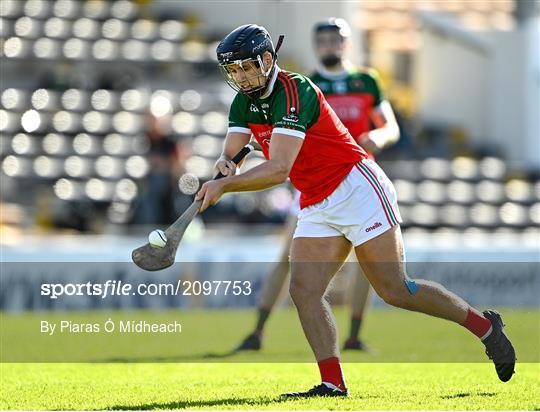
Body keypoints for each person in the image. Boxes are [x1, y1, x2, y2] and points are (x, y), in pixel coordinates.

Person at [196, 24, 516, 397]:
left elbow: (280, 168)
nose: (241, 76)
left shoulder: (294, 90)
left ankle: (485, 328)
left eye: (247, 67)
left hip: (356, 187)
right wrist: (224, 167)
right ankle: (332, 383)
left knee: (396, 290)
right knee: (304, 290)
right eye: (233, 70)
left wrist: (226, 185)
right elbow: (232, 149)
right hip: (316, 200)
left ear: (268, 60)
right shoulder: (243, 102)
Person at [234, 18, 401, 353]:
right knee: (289, 258)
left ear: (347, 44)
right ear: (315, 45)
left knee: (371, 266)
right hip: (312, 185)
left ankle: (354, 335)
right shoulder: (304, 84)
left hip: (357, 178)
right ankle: (258, 331)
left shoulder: (366, 80)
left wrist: (378, 137)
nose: (329, 45)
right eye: (322, 40)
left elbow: (390, 126)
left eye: (335, 39)